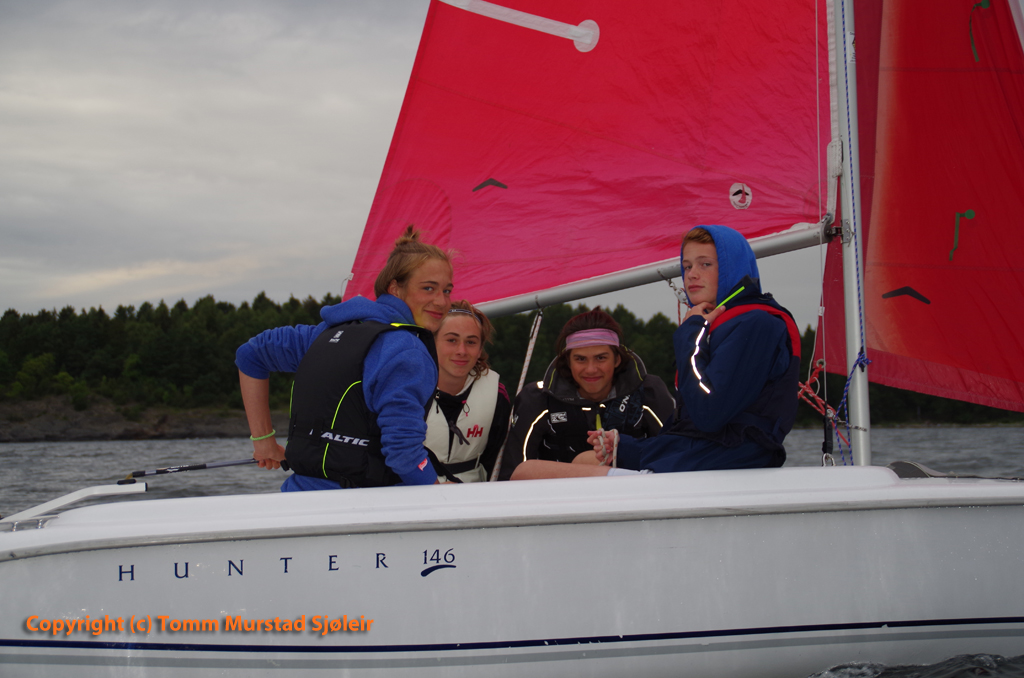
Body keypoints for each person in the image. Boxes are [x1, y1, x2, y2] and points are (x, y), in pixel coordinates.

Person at [511, 224, 800, 480]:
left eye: (705, 264)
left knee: (528, 473)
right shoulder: (723, 326)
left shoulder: (756, 325)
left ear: (732, 267)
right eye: (687, 266)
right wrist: (623, 444)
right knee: (582, 460)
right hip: (699, 453)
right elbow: (690, 424)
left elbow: (709, 414)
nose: (692, 275)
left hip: (722, 459)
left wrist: (690, 334)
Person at [235, 226, 452, 490]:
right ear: (395, 288)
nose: (442, 302)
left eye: (447, 291)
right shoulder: (408, 351)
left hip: (298, 496)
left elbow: (250, 355)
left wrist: (263, 440)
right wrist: (437, 492)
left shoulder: (322, 335)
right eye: (429, 288)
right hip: (365, 504)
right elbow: (403, 452)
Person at [498, 307, 675, 481]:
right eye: (580, 359)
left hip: (635, 494)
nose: (591, 369)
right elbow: (512, 473)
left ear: (617, 359)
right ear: (568, 361)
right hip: (557, 497)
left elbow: (676, 454)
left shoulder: (647, 394)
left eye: (601, 358)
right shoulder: (538, 400)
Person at [427, 300, 511, 482]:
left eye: (471, 342)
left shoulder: (496, 394)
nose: (462, 350)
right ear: (432, 343)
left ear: (480, 349)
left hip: (473, 491)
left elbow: (498, 458)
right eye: (452, 340)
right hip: (411, 489)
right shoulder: (407, 389)